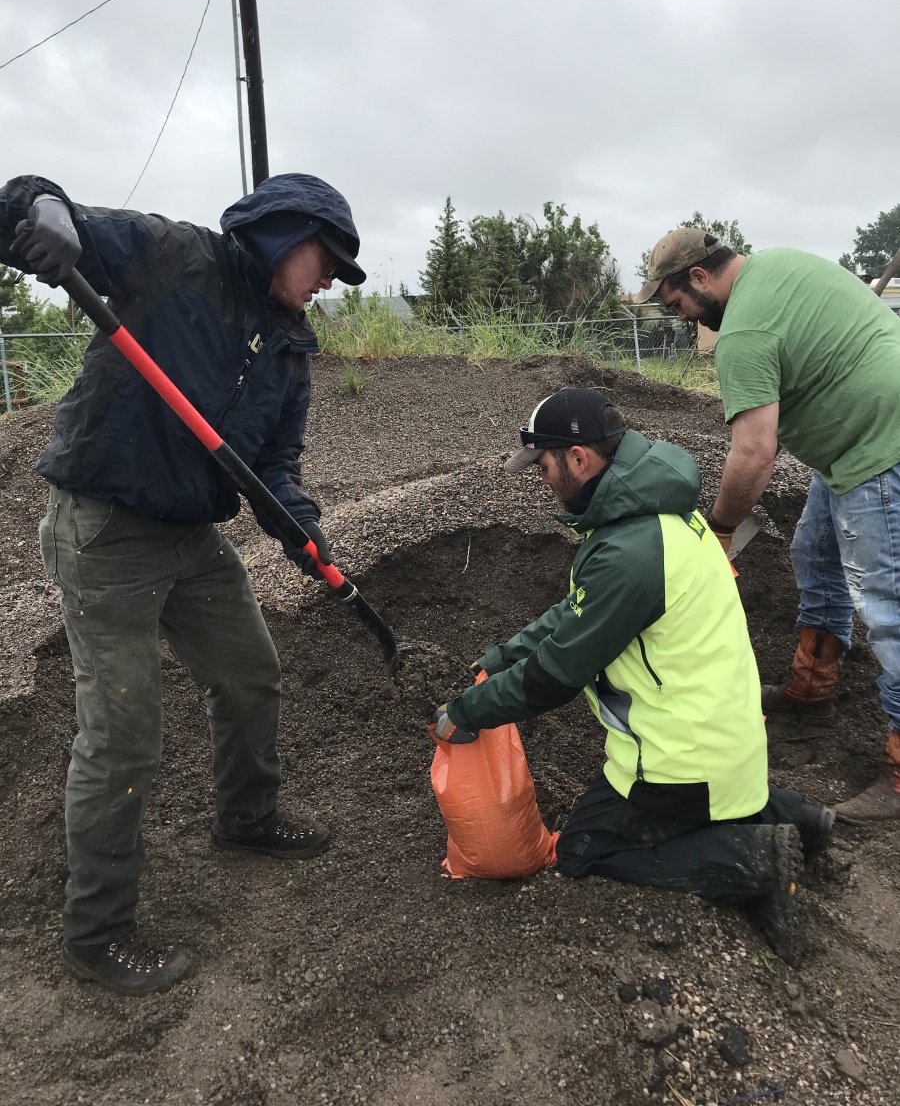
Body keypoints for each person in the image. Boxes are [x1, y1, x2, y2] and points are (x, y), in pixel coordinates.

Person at [0, 172, 366, 995]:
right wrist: (43, 216)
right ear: (283, 233)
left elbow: (273, 465)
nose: (331, 282)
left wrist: (303, 530)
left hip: (190, 535)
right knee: (123, 733)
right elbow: (28, 202)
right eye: (328, 260)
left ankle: (246, 818)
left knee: (248, 673)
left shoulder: (287, 344)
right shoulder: (173, 255)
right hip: (105, 529)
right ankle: (95, 931)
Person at [433, 388, 833, 966]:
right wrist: (500, 656)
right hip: (728, 741)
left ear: (578, 459)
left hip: (682, 761)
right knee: (688, 804)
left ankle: (756, 861)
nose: (541, 480)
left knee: (583, 849)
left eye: (543, 466)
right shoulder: (657, 517)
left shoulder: (628, 551)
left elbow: (557, 675)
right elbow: (575, 611)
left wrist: (466, 713)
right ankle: (799, 817)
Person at [633, 229, 900, 823]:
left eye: (676, 304)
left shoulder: (745, 331)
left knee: (888, 606)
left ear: (699, 278)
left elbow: (754, 452)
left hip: (881, 446)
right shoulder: (779, 264)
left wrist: (721, 528)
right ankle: (811, 689)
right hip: (854, 443)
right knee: (815, 553)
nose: (681, 319)